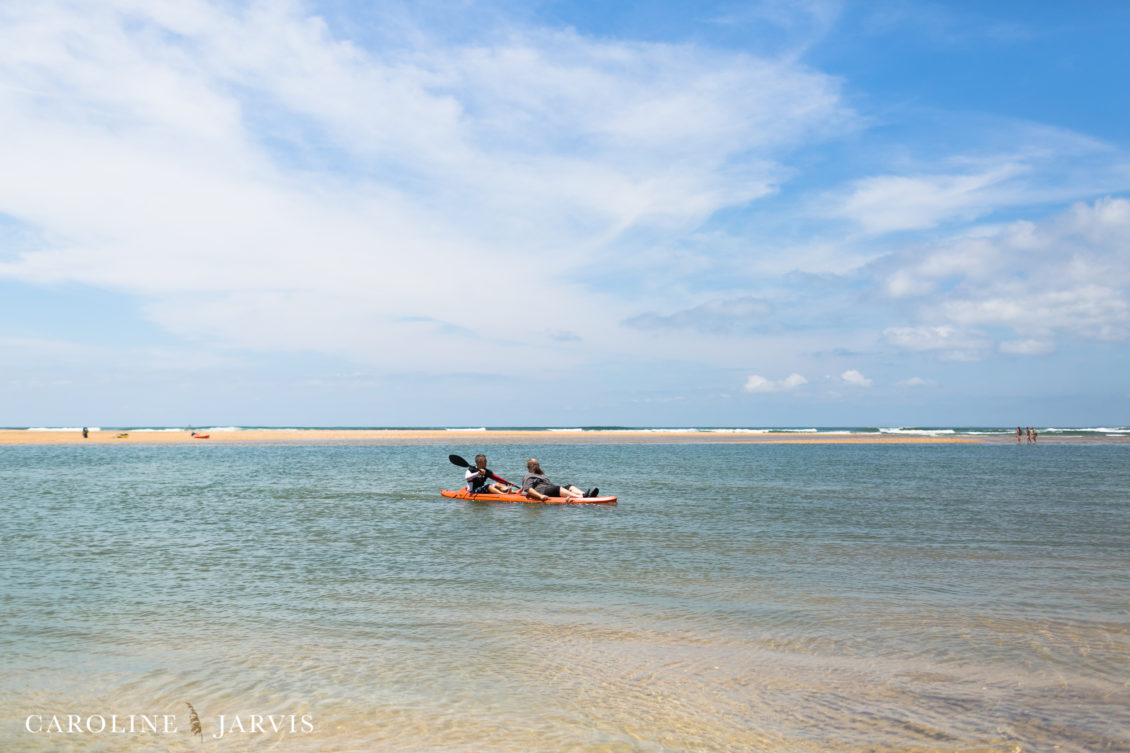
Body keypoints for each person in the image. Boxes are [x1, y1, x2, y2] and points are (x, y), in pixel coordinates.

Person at [521, 458, 598, 500]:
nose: (539, 466)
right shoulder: (529, 476)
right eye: (537, 464)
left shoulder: (540, 474)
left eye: (538, 464)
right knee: (557, 488)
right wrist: (540, 496)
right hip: (542, 491)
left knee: (570, 486)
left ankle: (585, 495)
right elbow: (529, 490)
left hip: (549, 489)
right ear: (532, 466)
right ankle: (580, 498)